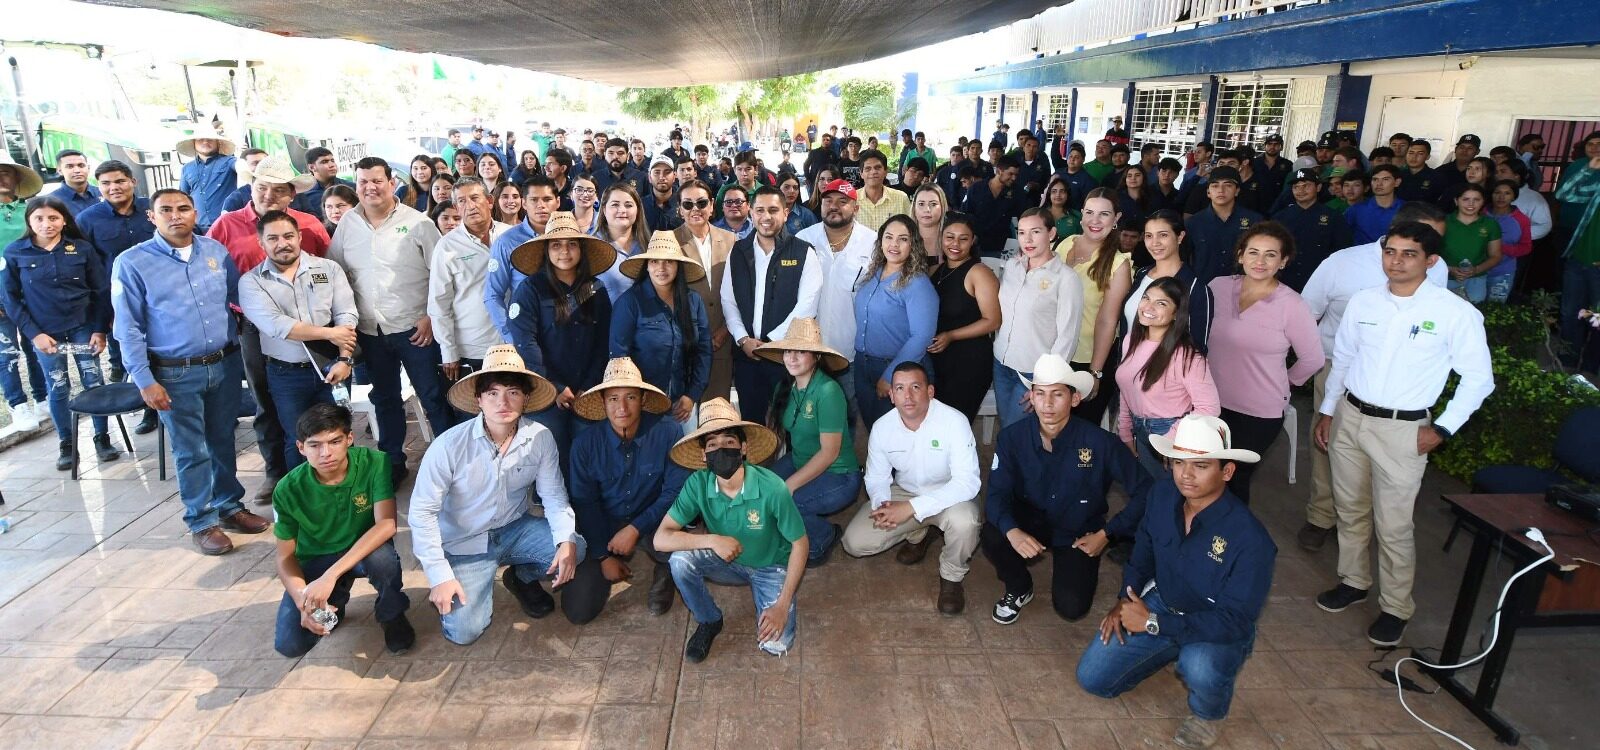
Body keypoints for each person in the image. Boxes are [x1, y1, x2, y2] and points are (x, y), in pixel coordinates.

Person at [1312, 222, 1493, 646]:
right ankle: (1353, 582)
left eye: (1408, 254)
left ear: (1431, 261)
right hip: (1350, 416)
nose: (1396, 261)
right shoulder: (1365, 302)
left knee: (1393, 524)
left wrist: (1443, 428)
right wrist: (1327, 411)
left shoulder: (1455, 313)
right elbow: (1343, 358)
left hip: (1405, 430)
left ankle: (1395, 607)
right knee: (1350, 508)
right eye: (1390, 251)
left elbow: (1478, 379)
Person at [1076, 414, 1274, 750]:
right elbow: (1144, 552)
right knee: (1093, 679)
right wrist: (1126, 601)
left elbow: (1234, 619)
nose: (1186, 474)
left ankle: (1208, 714)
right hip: (1163, 602)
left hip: (1214, 625)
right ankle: (1169, 647)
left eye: (1201, 465)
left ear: (1226, 471)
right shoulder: (1163, 493)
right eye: (1179, 462)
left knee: (1200, 667)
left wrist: (1152, 623)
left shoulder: (1252, 540)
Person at [410, 345, 606, 643]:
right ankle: (471, 580)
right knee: (465, 631)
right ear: (478, 400)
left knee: (574, 547)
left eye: (513, 392)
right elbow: (422, 513)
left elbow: (553, 496)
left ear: (526, 398)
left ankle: (521, 577)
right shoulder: (448, 446)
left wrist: (565, 540)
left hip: (515, 528)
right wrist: (440, 575)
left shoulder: (540, 438)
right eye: (492, 393)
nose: (503, 401)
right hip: (466, 542)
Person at [112, 189, 270, 555]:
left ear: (195, 211)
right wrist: (144, 380)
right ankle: (201, 520)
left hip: (224, 364)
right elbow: (128, 328)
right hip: (174, 373)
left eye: (183, 208)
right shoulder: (132, 263)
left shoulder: (214, 251)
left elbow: (238, 296)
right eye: (165, 210)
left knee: (221, 442)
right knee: (191, 450)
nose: (176, 215)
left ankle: (229, 507)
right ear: (152, 217)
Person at [1295, 204, 1448, 551]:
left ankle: (1363, 525)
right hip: (1340, 368)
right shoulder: (1341, 263)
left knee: (1379, 456)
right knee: (1327, 442)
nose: (1430, 249)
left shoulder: (1436, 268)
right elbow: (1306, 315)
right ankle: (1321, 516)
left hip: (1401, 378)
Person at [984, 355, 1152, 625]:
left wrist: (1107, 534)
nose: (1047, 404)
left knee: (1071, 607)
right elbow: (995, 496)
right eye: (1040, 394)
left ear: (1074, 399)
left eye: (1057, 394)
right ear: (1032, 397)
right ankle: (1018, 587)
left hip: (1078, 531)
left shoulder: (1100, 442)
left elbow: (1147, 490)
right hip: (1029, 521)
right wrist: (1013, 532)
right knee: (993, 533)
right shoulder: (1011, 438)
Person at [209, 155, 332, 499]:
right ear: (251, 187)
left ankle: (322, 466)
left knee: (314, 392)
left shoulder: (309, 226)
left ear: (291, 195)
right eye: (262, 188)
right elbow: (211, 277)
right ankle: (275, 471)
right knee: (266, 398)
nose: (269, 196)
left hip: (309, 324)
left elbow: (329, 268)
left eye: (279, 191)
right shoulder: (225, 226)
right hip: (251, 325)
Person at [325, 157, 451, 484]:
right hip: (370, 331)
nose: (370, 187)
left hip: (415, 330)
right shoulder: (347, 225)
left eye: (377, 180)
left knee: (433, 396)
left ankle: (449, 462)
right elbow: (337, 274)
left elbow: (440, 276)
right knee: (385, 398)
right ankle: (393, 462)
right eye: (363, 182)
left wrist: (429, 317)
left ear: (391, 183)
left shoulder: (419, 223)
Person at [654, 398, 808, 661]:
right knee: (679, 561)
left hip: (770, 565)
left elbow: (800, 543)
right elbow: (660, 539)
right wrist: (712, 541)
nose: (720, 450)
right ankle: (709, 619)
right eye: (712, 445)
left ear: (743, 448)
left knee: (777, 644)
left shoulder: (773, 488)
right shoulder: (697, 483)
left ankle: (774, 599)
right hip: (727, 559)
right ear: (704, 455)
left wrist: (782, 606)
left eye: (729, 442)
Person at [270, 403, 414, 657]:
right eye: (315, 445)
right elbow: (284, 557)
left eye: (335, 441)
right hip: (315, 560)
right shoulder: (286, 489)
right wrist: (303, 601)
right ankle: (334, 603)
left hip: (362, 550)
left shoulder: (375, 463)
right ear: (301, 448)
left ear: (349, 439)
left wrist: (331, 576)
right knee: (291, 645)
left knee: (383, 560)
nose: (326, 453)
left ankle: (391, 615)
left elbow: (387, 524)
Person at [842, 361, 982, 613]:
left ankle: (951, 577)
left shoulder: (954, 421)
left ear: (930, 392)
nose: (907, 396)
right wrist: (883, 504)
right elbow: (876, 477)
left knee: (966, 523)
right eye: (899, 388)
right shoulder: (882, 427)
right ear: (892, 396)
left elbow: (967, 482)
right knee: (854, 543)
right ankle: (919, 532)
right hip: (904, 491)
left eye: (915, 387)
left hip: (949, 494)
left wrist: (910, 508)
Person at [1205, 222, 1323, 503]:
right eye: (1253, 252)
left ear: (1283, 261)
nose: (1260, 261)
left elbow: (1312, 359)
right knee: (1203, 474)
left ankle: (1229, 543)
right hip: (1208, 403)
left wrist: (1285, 384)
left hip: (1258, 414)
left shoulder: (1292, 305)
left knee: (1233, 479)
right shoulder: (1217, 287)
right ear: (1240, 255)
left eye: (1271, 255)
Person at [0, 195, 119, 469]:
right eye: (39, 218)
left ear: (64, 220)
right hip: (46, 334)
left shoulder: (81, 249)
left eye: (53, 217)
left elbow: (101, 291)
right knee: (58, 387)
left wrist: (99, 330)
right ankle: (67, 442)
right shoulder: (15, 252)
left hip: (83, 329)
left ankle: (102, 437)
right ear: (29, 221)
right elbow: (11, 299)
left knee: (93, 381)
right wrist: (34, 334)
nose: (46, 224)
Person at [238, 209, 358, 472]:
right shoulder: (251, 282)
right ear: (261, 243)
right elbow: (276, 325)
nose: (283, 243)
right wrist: (329, 333)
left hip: (333, 369)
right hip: (286, 375)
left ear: (299, 237)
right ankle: (303, 505)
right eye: (273, 238)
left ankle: (343, 498)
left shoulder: (328, 268)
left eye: (288, 236)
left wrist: (345, 359)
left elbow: (346, 313)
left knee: (337, 438)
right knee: (299, 441)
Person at [567, 357, 686, 615]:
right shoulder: (584, 445)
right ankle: (610, 559)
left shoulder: (669, 432)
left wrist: (635, 528)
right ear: (602, 402)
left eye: (630, 397)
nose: (622, 407)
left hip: (654, 519)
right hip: (605, 522)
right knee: (578, 610)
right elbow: (585, 503)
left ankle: (665, 569)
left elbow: (675, 492)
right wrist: (602, 555)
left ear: (643, 400)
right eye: (613, 398)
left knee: (688, 551)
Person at [504, 212, 615, 463]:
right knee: (551, 454)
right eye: (556, 245)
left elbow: (604, 341)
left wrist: (589, 384)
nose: (564, 251)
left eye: (571, 244)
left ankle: (582, 500)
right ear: (546, 250)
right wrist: (554, 385)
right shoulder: (530, 289)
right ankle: (549, 500)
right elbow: (525, 342)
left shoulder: (595, 287)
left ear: (581, 249)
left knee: (586, 452)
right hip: (545, 389)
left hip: (588, 388)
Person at [753, 318, 860, 564]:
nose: (792, 357)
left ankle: (824, 537)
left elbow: (829, 453)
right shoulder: (787, 386)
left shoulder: (828, 391)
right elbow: (778, 435)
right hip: (800, 460)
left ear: (816, 357)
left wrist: (789, 485)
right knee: (763, 492)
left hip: (838, 473)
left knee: (786, 501)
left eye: (801, 351)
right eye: (789, 350)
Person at [720, 187, 823, 423]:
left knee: (788, 423)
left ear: (786, 213)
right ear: (751, 214)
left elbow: (808, 304)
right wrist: (743, 339)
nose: (766, 217)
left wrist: (771, 342)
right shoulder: (738, 251)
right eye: (760, 210)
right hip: (747, 356)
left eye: (774, 210)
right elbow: (728, 299)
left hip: (786, 357)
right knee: (752, 423)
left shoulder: (803, 252)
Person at [75, 160, 156, 429]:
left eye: (120, 181)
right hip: (118, 304)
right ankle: (148, 409)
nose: (114, 187)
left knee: (167, 353)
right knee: (131, 356)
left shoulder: (152, 209)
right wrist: (102, 317)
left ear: (133, 181)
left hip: (162, 298)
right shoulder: (88, 220)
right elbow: (89, 270)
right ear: (99, 187)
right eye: (106, 183)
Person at [1117, 277, 1220, 478]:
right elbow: (1126, 387)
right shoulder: (1131, 341)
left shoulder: (1186, 355)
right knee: (1150, 490)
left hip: (1170, 431)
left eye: (1161, 303)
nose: (1148, 306)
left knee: (1171, 496)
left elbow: (1209, 408)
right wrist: (1125, 430)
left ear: (1176, 314)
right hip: (1140, 428)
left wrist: (1173, 440)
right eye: (1146, 298)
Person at [993, 208, 1085, 428]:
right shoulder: (1013, 267)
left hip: (1033, 372)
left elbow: (1068, 335)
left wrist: (1045, 382)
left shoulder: (1066, 278)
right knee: (1007, 425)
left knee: (1019, 429)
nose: (1028, 239)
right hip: (1002, 364)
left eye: (1035, 231)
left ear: (1051, 233)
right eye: (1022, 232)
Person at [610, 231, 711, 426]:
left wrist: (691, 395)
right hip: (642, 406)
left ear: (678, 266)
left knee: (685, 454)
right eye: (655, 262)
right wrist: (639, 397)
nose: (661, 268)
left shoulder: (693, 301)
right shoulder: (630, 302)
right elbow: (619, 356)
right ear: (646, 266)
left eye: (669, 262)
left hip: (682, 405)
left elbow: (704, 352)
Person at [1055, 188, 1133, 424]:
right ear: (1081, 214)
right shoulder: (1066, 244)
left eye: (1104, 214)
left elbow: (1107, 321)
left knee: (1081, 434)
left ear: (1116, 218)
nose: (1095, 221)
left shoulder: (1119, 265)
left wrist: (1094, 372)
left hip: (1088, 358)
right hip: (1056, 351)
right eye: (1089, 212)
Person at [851, 215, 938, 426]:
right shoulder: (874, 272)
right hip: (863, 365)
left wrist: (891, 376)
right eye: (889, 237)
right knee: (875, 428)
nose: (894, 244)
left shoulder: (917, 283)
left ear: (913, 245)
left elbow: (922, 336)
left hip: (897, 369)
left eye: (903, 239)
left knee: (900, 433)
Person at [429, 178, 507, 394]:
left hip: (513, 341)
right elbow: (439, 302)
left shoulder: (510, 236)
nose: (470, 206)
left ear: (490, 201)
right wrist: (448, 350)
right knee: (475, 411)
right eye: (462, 201)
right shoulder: (447, 246)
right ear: (456, 208)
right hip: (473, 345)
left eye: (475, 198)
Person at [927, 213, 1000, 422]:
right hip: (939, 359)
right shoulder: (937, 269)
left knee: (954, 424)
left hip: (969, 361)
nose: (955, 244)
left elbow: (993, 320)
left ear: (973, 240)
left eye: (963, 238)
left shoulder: (979, 272)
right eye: (950, 237)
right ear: (941, 238)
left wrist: (951, 335)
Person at [673, 180, 737, 401]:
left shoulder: (731, 240)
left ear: (711, 205)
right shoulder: (669, 242)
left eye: (701, 203)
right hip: (685, 344)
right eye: (688, 204)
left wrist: (726, 329)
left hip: (722, 339)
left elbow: (740, 291)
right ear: (680, 209)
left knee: (718, 412)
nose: (695, 210)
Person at [484, 176, 561, 340]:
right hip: (527, 332)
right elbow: (493, 294)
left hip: (566, 334)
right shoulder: (506, 242)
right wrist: (510, 335)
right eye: (534, 200)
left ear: (558, 202)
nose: (541, 205)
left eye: (547, 199)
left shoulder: (571, 239)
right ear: (524, 203)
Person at [1128, 211, 1215, 352]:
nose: (1155, 243)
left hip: (1164, 371)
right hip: (1128, 366)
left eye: (1163, 235)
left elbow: (1197, 347)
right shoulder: (1141, 274)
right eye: (1149, 236)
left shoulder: (1195, 288)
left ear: (1180, 237)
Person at [1555, 130, 1600, 373]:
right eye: (1591, 144)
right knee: (1570, 311)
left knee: (1598, 318)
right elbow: (1563, 194)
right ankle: (1568, 360)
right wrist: (1589, 169)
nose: (1595, 148)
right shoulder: (1595, 181)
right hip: (1578, 255)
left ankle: (1592, 365)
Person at [1273, 168, 1353, 292]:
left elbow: (1342, 250)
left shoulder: (1333, 217)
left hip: (1320, 282)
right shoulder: (1280, 217)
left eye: (1306, 186)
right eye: (1296, 187)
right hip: (1285, 282)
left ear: (1319, 187)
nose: (1300, 190)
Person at [1184, 166, 1263, 284]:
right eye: (1215, 185)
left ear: (1237, 191)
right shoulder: (1194, 223)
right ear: (1208, 192)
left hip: (1243, 288)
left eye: (1228, 185)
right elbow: (1185, 259)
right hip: (1205, 288)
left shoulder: (1254, 221)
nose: (1221, 190)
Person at [1441, 184, 1502, 303]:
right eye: (1465, 199)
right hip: (1445, 278)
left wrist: (1476, 270)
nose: (1471, 204)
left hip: (1476, 279)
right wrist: (1449, 269)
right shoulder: (1443, 222)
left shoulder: (1490, 224)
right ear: (1456, 201)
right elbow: (1429, 253)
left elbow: (1496, 255)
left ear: (1483, 202)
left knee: (1473, 314)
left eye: (1476, 200)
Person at [595, 181, 650, 303]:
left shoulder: (648, 245)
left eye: (629, 205)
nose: (622, 210)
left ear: (637, 210)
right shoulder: (592, 246)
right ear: (604, 209)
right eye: (615, 204)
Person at [175, 126, 238, 232]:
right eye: (200, 139)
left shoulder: (229, 162)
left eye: (210, 139)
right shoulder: (187, 168)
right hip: (197, 227)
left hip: (226, 225)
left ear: (218, 143)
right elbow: (182, 197)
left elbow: (241, 166)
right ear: (194, 143)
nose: (205, 142)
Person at [961, 155, 1021, 258]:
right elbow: (966, 213)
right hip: (976, 245)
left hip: (1002, 247)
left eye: (1016, 175)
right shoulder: (977, 188)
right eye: (1010, 174)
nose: (1014, 178)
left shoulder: (1016, 192)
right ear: (999, 171)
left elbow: (1020, 216)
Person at [1487, 179, 1532, 304]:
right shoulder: (1481, 214)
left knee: (1494, 310)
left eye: (1507, 193)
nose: (1501, 197)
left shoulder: (1521, 220)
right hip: (1476, 271)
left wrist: (1500, 248)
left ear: (1514, 196)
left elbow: (1526, 247)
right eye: (1497, 192)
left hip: (1502, 272)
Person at [292, 147, 356, 221]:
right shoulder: (302, 193)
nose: (332, 165)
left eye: (332, 160)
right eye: (324, 162)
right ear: (312, 167)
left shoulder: (351, 187)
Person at [47, 150, 101, 216]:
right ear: (60, 171)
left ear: (88, 168)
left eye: (81, 165)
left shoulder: (103, 193)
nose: (77, 170)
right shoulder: (51, 201)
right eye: (70, 166)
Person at [642, 155, 682, 233]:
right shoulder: (640, 205)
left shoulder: (684, 203)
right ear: (650, 177)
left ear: (674, 177)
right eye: (657, 172)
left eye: (667, 172)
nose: (662, 177)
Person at [1041, 175, 1083, 240]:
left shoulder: (1077, 216)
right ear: (1049, 195)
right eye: (1054, 191)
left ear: (1067, 195)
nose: (1058, 195)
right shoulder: (1040, 215)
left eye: (1062, 191)